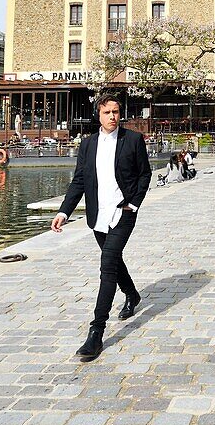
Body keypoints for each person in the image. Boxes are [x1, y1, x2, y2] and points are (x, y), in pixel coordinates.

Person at [51, 95, 152, 361]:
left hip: (123, 212)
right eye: (107, 112)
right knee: (114, 260)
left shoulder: (132, 140)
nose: (112, 117)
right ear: (99, 115)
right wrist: (64, 211)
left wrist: (134, 203)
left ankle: (96, 332)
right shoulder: (88, 145)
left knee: (107, 264)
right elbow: (79, 181)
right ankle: (131, 294)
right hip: (98, 215)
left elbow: (145, 174)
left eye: (116, 112)